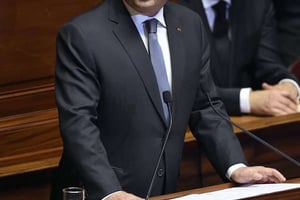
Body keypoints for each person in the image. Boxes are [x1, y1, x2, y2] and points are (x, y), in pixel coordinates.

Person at [50, 0, 286, 200]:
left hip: (165, 191)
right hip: (101, 193)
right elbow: (78, 124)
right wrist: (110, 191)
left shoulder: (190, 24)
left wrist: (235, 166)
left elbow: (205, 106)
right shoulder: (82, 34)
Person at [178, 0, 300, 116]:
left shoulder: (256, 4)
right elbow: (185, 91)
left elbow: (269, 64)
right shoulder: (174, 8)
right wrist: (248, 100)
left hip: (249, 127)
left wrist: (288, 85)